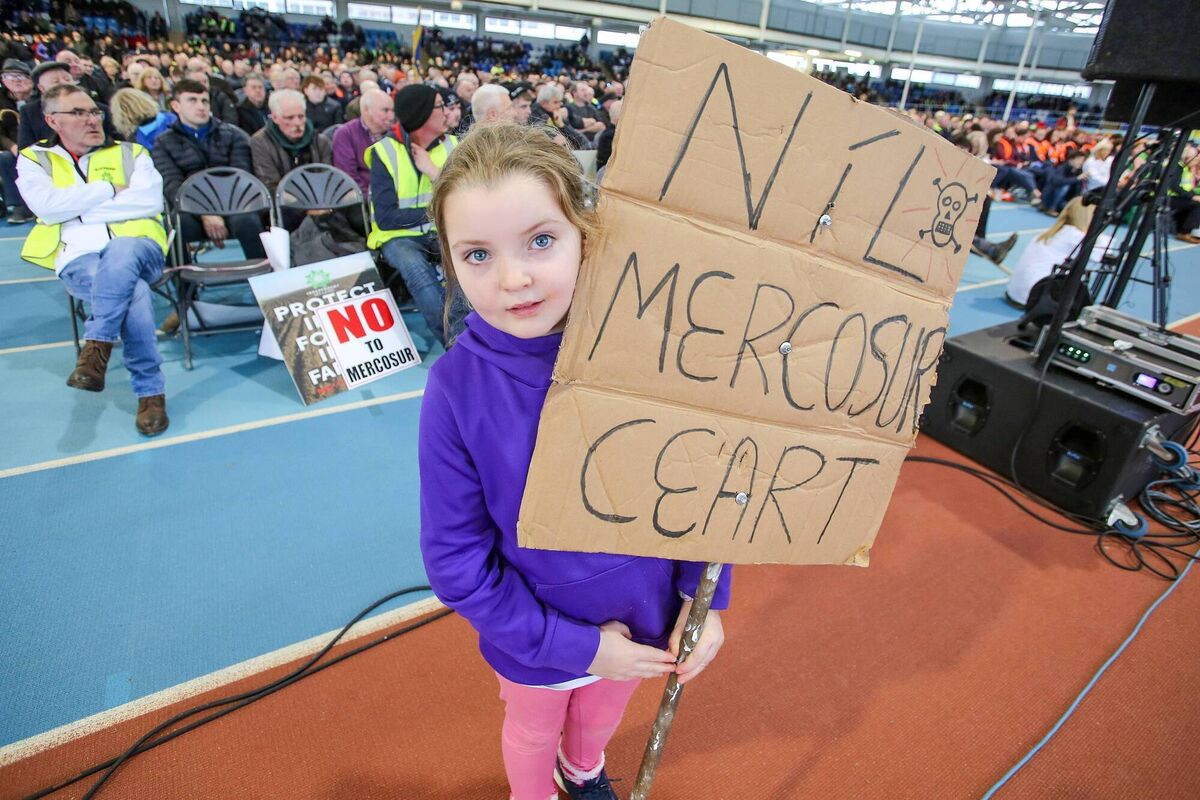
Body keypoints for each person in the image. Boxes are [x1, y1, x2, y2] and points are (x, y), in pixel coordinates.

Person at [421, 123, 732, 800]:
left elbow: (702, 489)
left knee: (600, 717)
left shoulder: (645, 352)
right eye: (477, 254)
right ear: (448, 262)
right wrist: (582, 650)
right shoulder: (455, 390)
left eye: (540, 240)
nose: (513, 277)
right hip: (536, 642)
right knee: (533, 732)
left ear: (584, 234)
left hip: (645, 624)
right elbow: (457, 565)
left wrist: (705, 599)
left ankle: (583, 772)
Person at [16, 84, 171, 435]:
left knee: (122, 248)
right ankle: (151, 393)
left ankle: (96, 346)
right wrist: (107, 190)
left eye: (94, 111)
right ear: (52, 120)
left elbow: (148, 202)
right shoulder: (34, 160)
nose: (91, 120)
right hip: (79, 258)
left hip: (142, 247)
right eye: (79, 113)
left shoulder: (132, 153)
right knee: (135, 294)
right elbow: (47, 208)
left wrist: (76, 210)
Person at [366, 84, 464, 347]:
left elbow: (467, 199)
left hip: (443, 231)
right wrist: (438, 211)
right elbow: (387, 218)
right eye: (441, 106)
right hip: (398, 237)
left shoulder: (454, 146)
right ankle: (453, 343)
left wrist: (434, 172)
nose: (448, 112)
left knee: (467, 259)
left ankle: (467, 334)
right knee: (416, 269)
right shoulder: (384, 152)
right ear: (421, 115)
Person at [153, 79, 265, 258]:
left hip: (232, 203)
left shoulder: (234, 135)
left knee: (247, 219)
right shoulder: (163, 143)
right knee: (180, 222)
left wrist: (219, 209)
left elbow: (240, 178)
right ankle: (187, 282)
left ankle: (262, 275)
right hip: (190, 208)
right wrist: (205, 213)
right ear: (176, 106)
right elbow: (173, 186)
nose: (201, 106)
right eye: (192, 101)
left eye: (204, 101)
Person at [1006, 197, 1108, 307]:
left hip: (1014, 293)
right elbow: (1100, 256)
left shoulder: (1052, 232)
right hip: (1034, 299)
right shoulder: (1076, 236)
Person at [249, 88, 332, 197]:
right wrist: (304, 207)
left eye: (301, 116)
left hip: (320, 200)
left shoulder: (320, 141)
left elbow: (328, 178)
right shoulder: (260, 142)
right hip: (284, 205)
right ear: (275, 118)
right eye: (290, 118)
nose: (297, 123)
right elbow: (269, 185)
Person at [331, 87, 392, 195]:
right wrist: (371, 198)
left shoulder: (396, 134)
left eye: (392, 110)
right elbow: (348, 177)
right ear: (366, 110)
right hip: (362, 201)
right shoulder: (345, 134)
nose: (391, 116)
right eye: (385, 110)